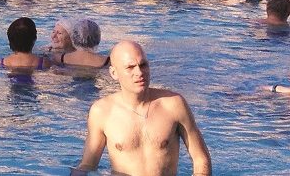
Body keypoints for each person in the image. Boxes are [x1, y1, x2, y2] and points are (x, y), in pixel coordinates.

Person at [71, 41, 211, 176]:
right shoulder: (101, 111)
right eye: (130, 67)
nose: (139, 72)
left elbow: (200, 158)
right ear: (114, 73)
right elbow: (88, 165)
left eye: (143, 65)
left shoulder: (173, 105)